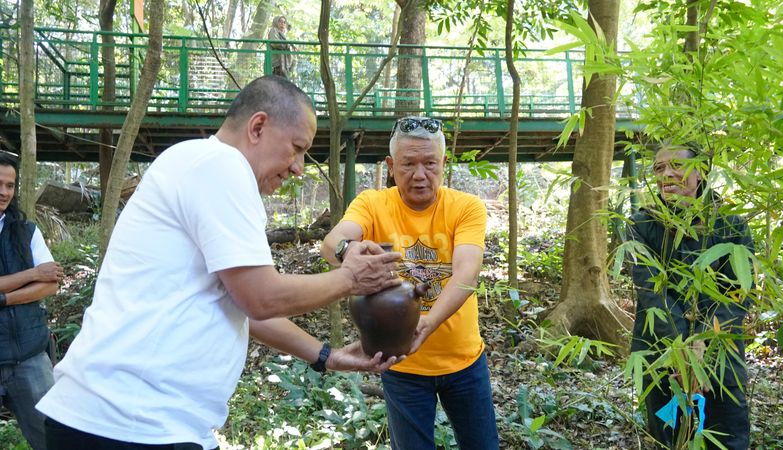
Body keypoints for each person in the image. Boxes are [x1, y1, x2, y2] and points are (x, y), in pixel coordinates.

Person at [36, 76, 402, 450]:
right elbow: (261, 298)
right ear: (257, 126)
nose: (298, 168)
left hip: (139, 422)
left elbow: (245, 303)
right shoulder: (220, 165)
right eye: (296, 148)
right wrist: (350, 278)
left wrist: (328, 356)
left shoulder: (200, 163)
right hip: (129, 422)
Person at [321, 116, 499, 450]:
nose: (420, 175)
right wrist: (350, 251)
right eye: (408, 164)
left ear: (443, 163)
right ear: (390, 165)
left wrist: (429, 322)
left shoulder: (466, 207)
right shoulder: (372, 204)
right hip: (401, 364)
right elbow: (332, 244)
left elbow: (467, 273)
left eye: (430, 163)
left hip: (465, 362)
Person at [628, 142, 753, 449]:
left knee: (727, 434)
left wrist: (703, 343)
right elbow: (650, 290)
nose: (666, 174)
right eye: (659, 168)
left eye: (677, 166)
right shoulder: (641, 225)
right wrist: (681, 348)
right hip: (660, 349)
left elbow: (738, 292)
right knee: (669, 434)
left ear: (702, 172)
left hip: (718, 350)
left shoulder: (730, 224)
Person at [0, 152, 64, 450]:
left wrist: (5, 298)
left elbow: (50, 285)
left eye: (10, 186)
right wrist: (33, 273)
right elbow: (41, 275)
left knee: (53, 438)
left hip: (29, 356)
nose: (4, 192)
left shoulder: (26, 231)